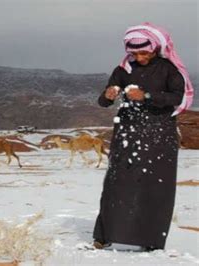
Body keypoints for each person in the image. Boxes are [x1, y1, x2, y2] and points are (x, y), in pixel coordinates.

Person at [93, 22, 194, 251]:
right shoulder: (122, 70)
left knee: (155, 186)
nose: (139, 57)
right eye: (134, 53)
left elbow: (177, 98)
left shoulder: (169, 69)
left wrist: (146, 95)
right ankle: (105, 236)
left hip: (159, 133)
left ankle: (151, 240)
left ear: (155, 47)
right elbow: (103, 100)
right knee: (117, 183)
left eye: (143, 52)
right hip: (127, 132)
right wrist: (108, 95)